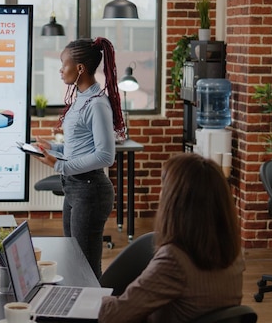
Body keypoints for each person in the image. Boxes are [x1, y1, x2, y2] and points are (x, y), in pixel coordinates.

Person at [98, 153, 244, 323]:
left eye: (163, 188)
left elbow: (113, 316)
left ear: (176, 202)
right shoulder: (233, 253)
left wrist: (96, 298)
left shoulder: (174, 260)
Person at [34, 37, 125, 278]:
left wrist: (59, 165)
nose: (61, 70)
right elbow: (78, 148)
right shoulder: (81, 100)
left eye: (64, 65)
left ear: (80, 68)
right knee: (73, 257)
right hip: (75, 188)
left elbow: (106, 156)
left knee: (85, 265)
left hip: (91, 190)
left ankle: (96, 311)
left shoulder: (96, 104)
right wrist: (51, 148)